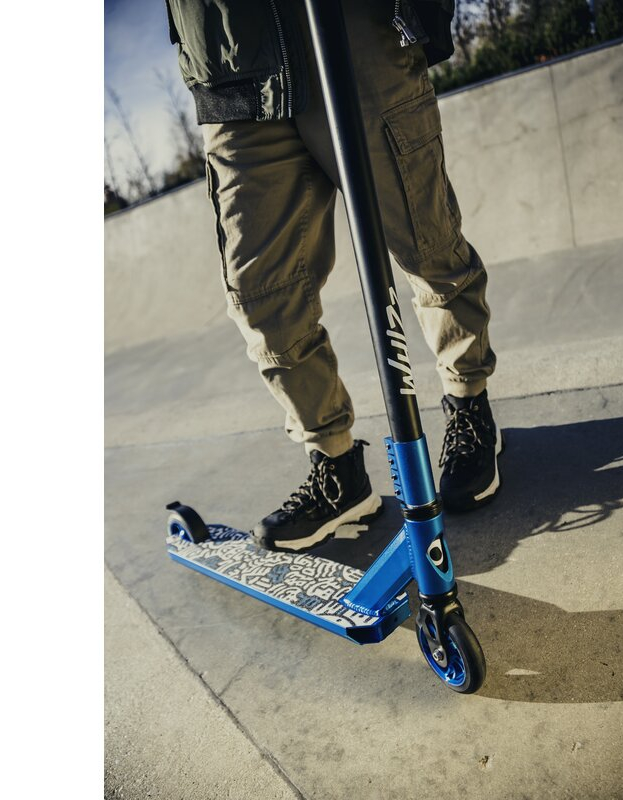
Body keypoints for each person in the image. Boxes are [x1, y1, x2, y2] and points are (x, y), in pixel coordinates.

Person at [163, 0, 501, 552]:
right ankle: (337, 469)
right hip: (233, 62)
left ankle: (469, 405)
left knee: (428, 244)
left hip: (352, 27)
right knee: (261, 295)